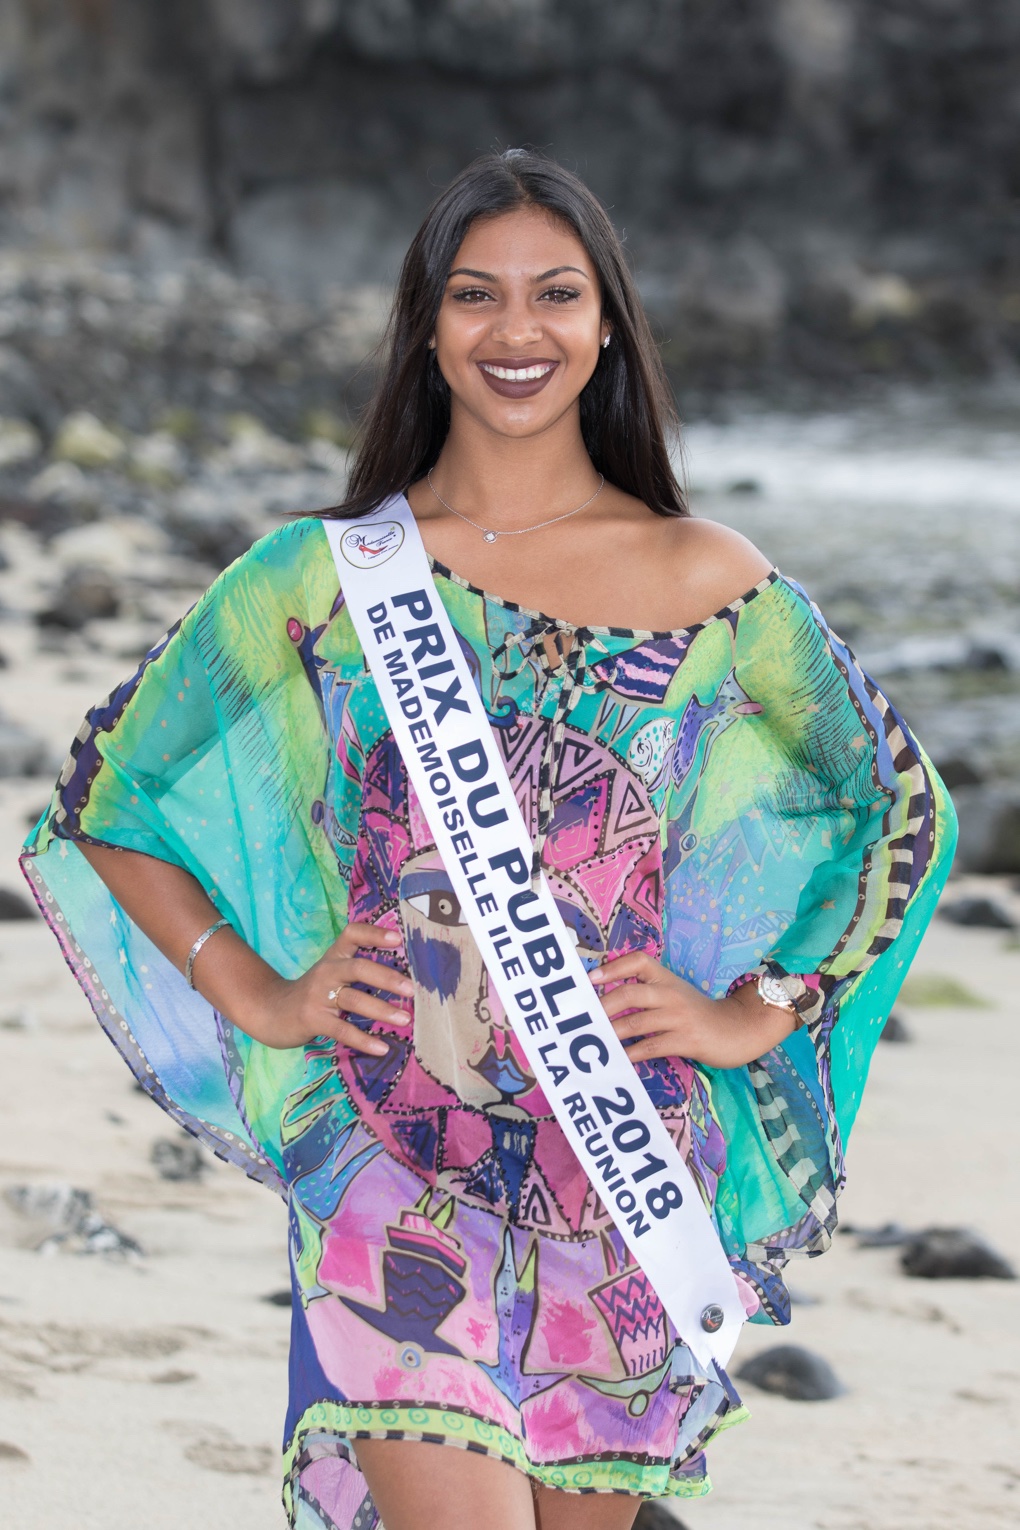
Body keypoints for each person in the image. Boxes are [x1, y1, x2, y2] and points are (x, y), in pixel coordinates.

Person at [20, 149, 956, 1530]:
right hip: (392, 1166)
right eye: (477, 295)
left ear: (608, 324)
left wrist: (757, 1008)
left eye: (556, 295)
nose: (518, 330)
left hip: (624, 1170)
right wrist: (260, 994)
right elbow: (111, 791)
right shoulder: (323, 575)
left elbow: (898, 811)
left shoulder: (709, 581)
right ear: (427, 326)